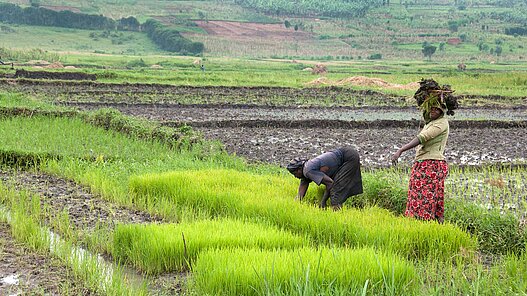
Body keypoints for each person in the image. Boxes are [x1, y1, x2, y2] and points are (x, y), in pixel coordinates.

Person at [391, 79, 458, 223]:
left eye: (436, 109)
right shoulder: (431, 123)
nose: (433, 111)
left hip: (431, 165)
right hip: (424, 163)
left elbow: (422, 138)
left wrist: (401, 150)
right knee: (422, 197)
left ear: (442, 111)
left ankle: (428, 227)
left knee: (427, 199)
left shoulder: (441, 123)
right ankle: (427, 226)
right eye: (431, 108)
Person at [286, 147, 363, 210]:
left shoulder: (308, 170)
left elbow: (330, 183)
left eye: (295, 173)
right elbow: (300, 195)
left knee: (336, 191)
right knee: (336, 189)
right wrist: (292, 207)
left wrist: (323, 202)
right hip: (345, 155)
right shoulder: (305, 172)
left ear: (299, 169)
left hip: (348, 158)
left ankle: (337, 217)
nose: (295, 176)